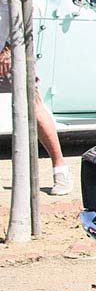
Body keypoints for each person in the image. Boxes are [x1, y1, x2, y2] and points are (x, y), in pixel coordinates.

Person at [0, 40, 71, 196]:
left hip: (13, 49)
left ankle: (61, 169)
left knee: (33, 103)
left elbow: (23, 24)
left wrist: (8, 49)